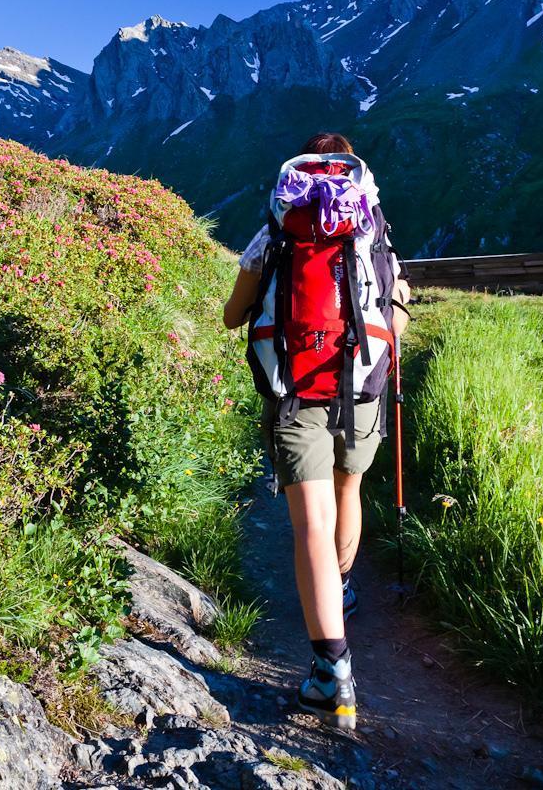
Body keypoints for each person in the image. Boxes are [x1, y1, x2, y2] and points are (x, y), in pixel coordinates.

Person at [222, 132, 410, 729]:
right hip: (360, 386)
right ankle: (344, 587)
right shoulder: (370, 230)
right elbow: (394, 312)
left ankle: (331, 672)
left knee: (310, 522)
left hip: (294, 388)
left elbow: (232, 316)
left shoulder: (276, 229)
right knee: (348, 490)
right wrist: (395, 316)